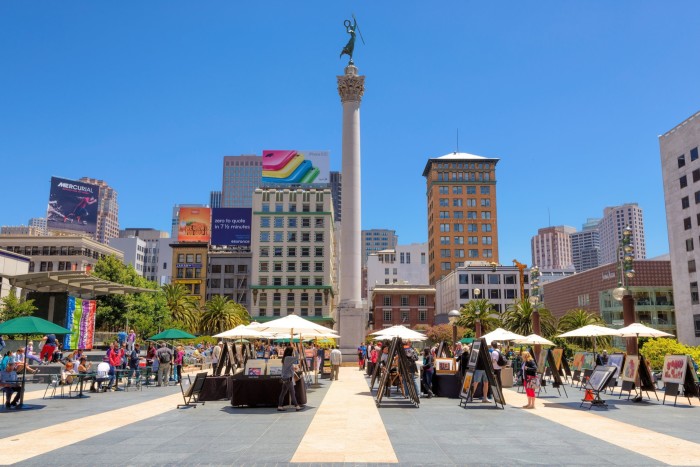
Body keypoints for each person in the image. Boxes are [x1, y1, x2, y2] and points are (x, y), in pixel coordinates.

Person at [277, 346, 302, 411]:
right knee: (292, 392)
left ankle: (280, 406)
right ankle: (297, 406)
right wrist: (296, 349)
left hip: (284, 378)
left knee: (283, 392)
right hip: (288, 378)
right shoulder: (288, 358)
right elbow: (297, 357)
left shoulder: (285, 358)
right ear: (290, 352)